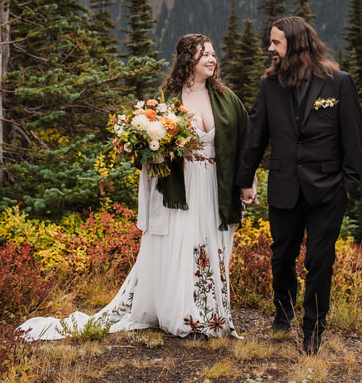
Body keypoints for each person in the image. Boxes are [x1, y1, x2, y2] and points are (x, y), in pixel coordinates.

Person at [19, 34, 250, 340]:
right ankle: (185, 315)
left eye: (212, 53)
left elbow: (247, 141)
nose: (211, 59)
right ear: (187, 61)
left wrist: (247, 182)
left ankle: (211, 315)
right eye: (203, 54)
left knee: (210, 244)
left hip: (214, 186)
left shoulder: (226, 98)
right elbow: (152, 154)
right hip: (181, 189)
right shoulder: (169, 103)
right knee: (184, 244)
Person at [235, 15, 362, 354]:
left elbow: (353, 137)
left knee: (320, 261)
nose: (270, 48)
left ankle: (313, 328)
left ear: (296, 43)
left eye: (276, 42)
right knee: (281, 257)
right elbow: (256, 134)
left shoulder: (338, 82)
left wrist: (348, 186)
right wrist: (245, 179)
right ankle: (283, 311)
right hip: (284, 186)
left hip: (328, 190)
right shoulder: (269, 84)